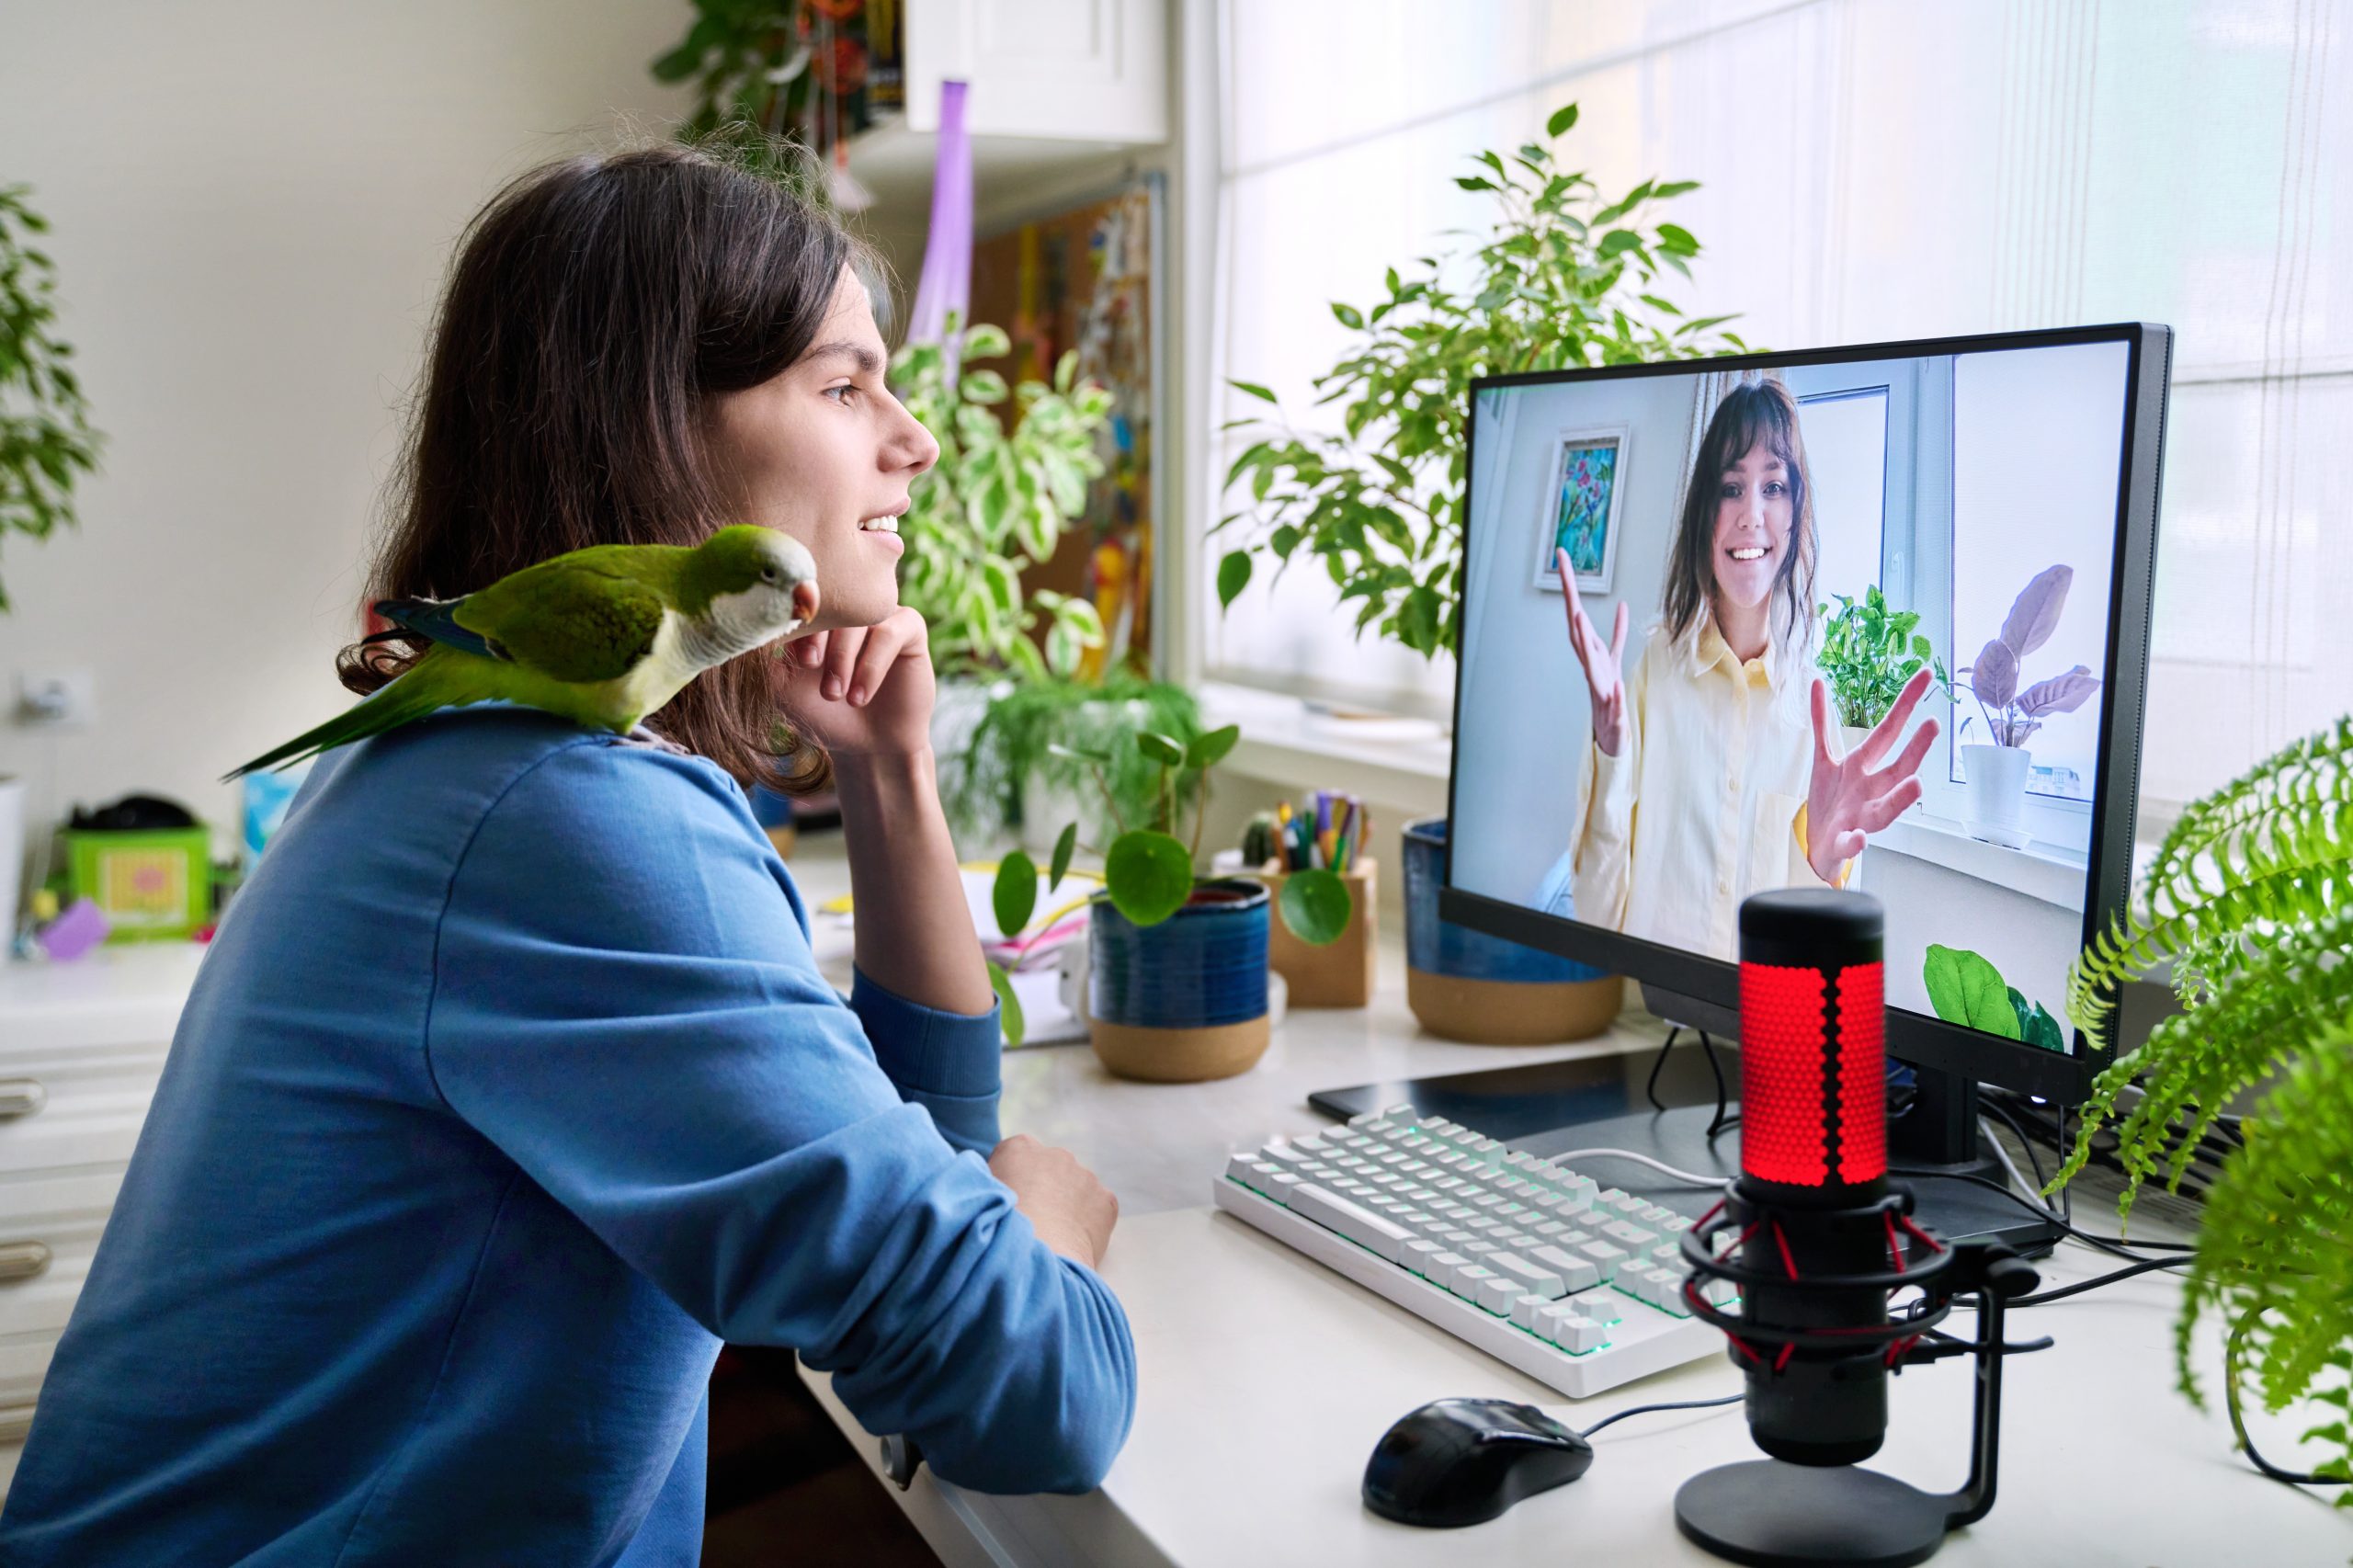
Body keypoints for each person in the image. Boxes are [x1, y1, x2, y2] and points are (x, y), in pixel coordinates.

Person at [0, 142, 1134, 1566]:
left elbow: (905, 1164)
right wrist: (1050, 1216)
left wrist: (891, 771)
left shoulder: (481, 770)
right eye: (846, 386)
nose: (911, 439)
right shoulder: (563, 817)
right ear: (659, 429)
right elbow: (1031, 1390)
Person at [1559, 379, 1938, 961]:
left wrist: (1821, 861)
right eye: (1732, 487)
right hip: (1653, 1022)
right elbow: (1595, 912)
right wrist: (1609, 748)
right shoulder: (1654, 674)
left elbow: (1818, 968)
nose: (1751, 516)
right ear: (1704, 514)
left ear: (1795, 516)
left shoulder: (1815, 717)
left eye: (1774, 487)